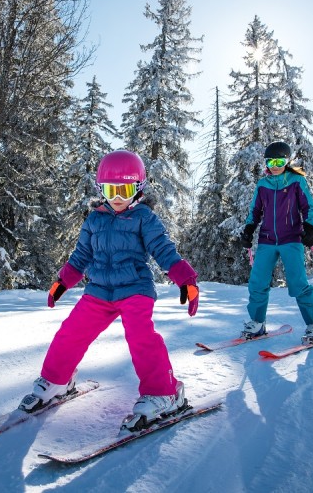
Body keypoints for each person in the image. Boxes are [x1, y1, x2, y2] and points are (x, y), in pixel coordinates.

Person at [19, 150, 199, 430]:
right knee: (71, 332)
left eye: (124, 189)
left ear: (137, 189)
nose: (117, 196)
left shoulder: (144, 218)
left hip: (135, 288)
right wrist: (62, 281)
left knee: (141, 336)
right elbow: (80, 256)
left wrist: (186, 279)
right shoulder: (94, 220)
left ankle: (164, 394)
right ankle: (57, 381)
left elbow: (163, 250)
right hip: (100, 290)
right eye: (110, 189)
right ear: (100, 189)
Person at [239, 141, 313, 344]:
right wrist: (249, 229)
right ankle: (257, 323)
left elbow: (308, 207)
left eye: (280, 161)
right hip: (267, 240)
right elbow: (255, 211)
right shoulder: (262, 185)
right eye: (270, 162)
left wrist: (310, 228)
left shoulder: (296, 181)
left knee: (298, 284)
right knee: (257, 283)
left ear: (287, 161)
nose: (275, 165)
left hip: (291, 239)